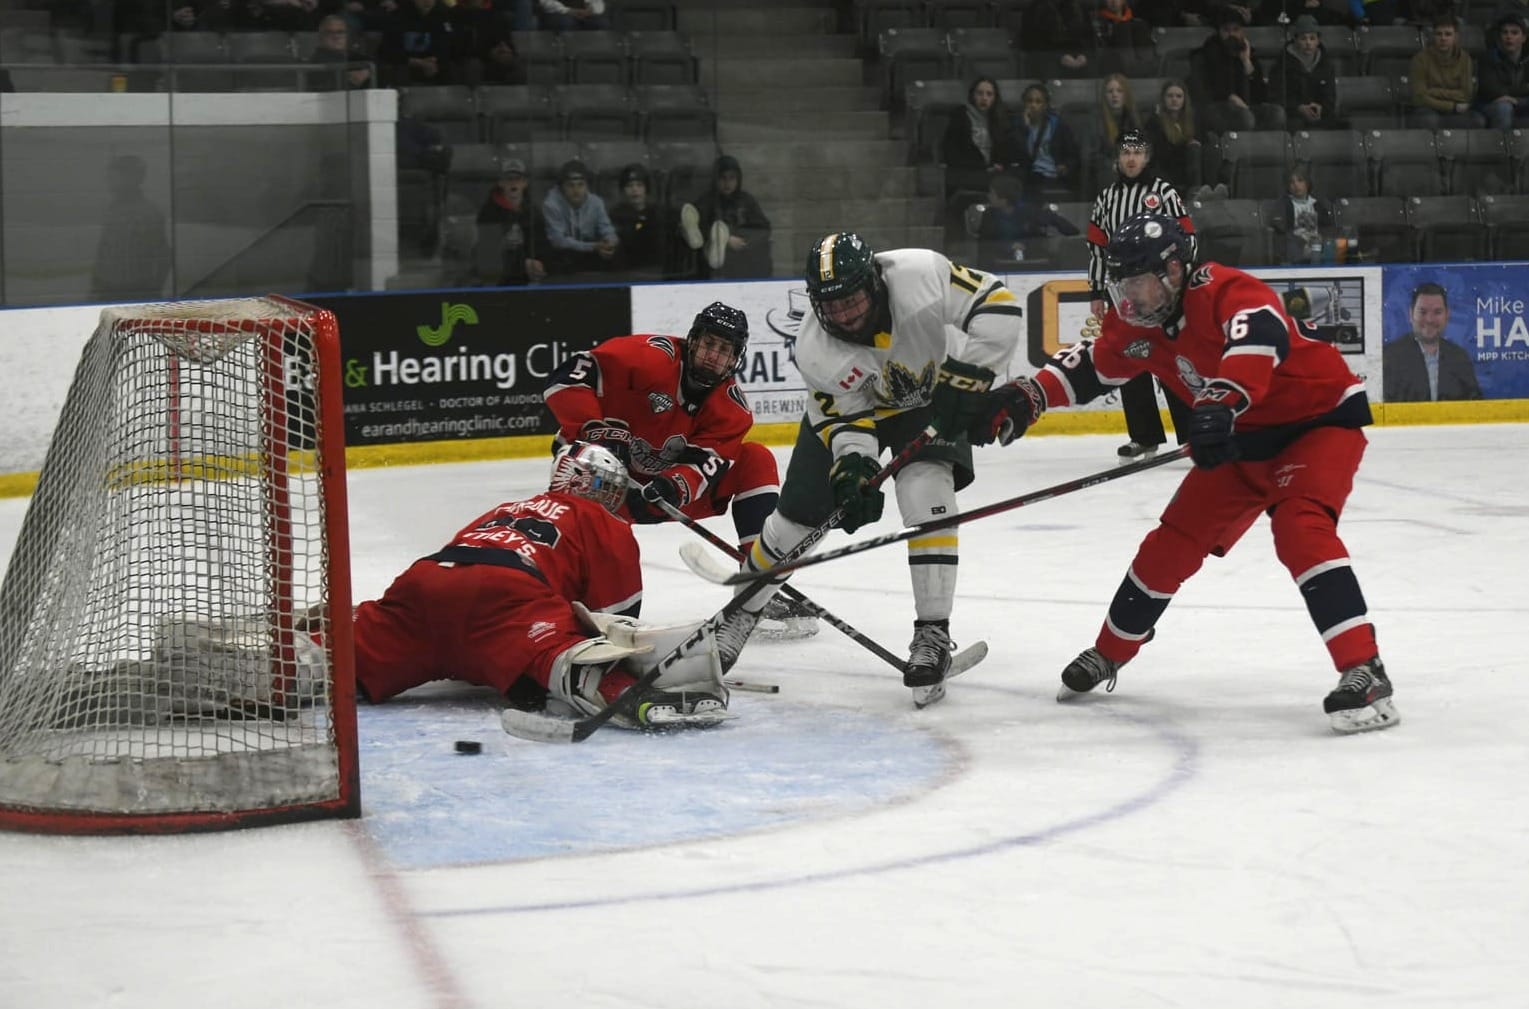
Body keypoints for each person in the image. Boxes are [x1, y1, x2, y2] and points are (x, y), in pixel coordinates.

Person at [976, 212, 1397, 734]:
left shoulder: (1225, 291)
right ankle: (1109, 651)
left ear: (1174, 270)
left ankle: (1364, 668)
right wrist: (1030, 395)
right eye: (1122, 284)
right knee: (1171, 542)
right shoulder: (1139, 321)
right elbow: (1093, 365)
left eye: (1138, 281)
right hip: (1240, 437)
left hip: (1315, 424)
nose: (1129, 297)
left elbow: (1260, 336)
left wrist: (1221, 399)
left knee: (1300, 529)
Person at [717, 233, 1024, 706]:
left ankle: (933, 633)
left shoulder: (919, 274)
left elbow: (998, 305)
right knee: (796, 523)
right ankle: (740, 613)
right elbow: (847, 420)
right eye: (830, 305)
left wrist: (970, 379)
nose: (843, 315)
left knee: (928, 496)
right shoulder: (815, 348)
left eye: (851, 300)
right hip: (855, 415)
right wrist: (853, 467)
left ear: (875, 283)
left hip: (931, 402)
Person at [352, 441, 730, 730]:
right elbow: (614, 619)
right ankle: (617, 690)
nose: (612, 499)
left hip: (427, 581)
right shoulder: (601, 519)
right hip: (507, 597)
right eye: (609, 488)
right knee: (563, 652)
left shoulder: (504, 509)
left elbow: (463, 566)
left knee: (352, 652)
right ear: (593, 486)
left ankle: (320, 660)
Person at [541, 303, 815, 639]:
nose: (713, 356)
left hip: (658, 494)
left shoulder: (731, 410)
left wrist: (671, 487)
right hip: (595, 474)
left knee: (755, 458)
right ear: (693, 340)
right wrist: (594, 429)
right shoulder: (649, 356)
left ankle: (758, 587)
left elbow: (705, 466)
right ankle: (557, 594)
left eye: (724, 350)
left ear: (735, 358)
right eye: (709, 344)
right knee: (582, 479)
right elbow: (565, 378)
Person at [1086, 130, 1197, 461]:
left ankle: (1193, 435)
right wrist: (1097, 290)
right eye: (1125, 152)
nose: (1131, 158)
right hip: (1125, 294)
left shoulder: (1164, 192)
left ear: (1147, 158)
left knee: (1172, 359)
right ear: (1117, 158)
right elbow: (1097, 248)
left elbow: (1188, 237)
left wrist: (1178, 280)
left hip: (1163, 292)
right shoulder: (1107, 199)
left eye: (1137, 152)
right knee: (1132, 358)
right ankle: (1144, 437)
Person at [1382, 282, 1483, 402]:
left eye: (1437, 312)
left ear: (1447, 315)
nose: (1429, 319)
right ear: (1411, 314)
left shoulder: (1459, 358)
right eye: (1423, 312)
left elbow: (1475, 403)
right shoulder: (1389, 358)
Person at [91, 155, 171, 304]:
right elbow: (104, 248)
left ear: (132, 178)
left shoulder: (149, 213)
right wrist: (96, 283)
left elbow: (163, 256)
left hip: (137, 291)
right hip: (108, 289)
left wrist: (154, 289)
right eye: (109, 177)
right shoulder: (111, 209)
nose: (109, 182)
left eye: (114, 177)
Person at [1189, 8, 1284, 133]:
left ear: (1242, 31)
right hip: (1217, 108)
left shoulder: (1248, 53)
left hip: (1246, 107)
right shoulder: (1205, 55)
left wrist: (1247, 63)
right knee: (1245, 118)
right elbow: (1203, 90)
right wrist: (1229, 97)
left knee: (1276, 113)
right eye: (1226, 30)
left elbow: (1261, 95)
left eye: (1236, 30)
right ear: (1219, 32)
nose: (1231, 34)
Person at [940, 77, 1023, 209]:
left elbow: (1010, 152)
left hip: (994, 174)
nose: (984, 98)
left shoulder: (1000, 118)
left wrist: (1000, 165)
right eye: (980, 93)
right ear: (972, 96)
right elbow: (951, 154)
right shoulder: (959, 117)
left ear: (995, 98)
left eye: (989, 94)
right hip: (967, 171)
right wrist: (983, 167)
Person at [972, 171, 1081, 270]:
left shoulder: (1030, 211)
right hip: (998, 263)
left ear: (1004, 199)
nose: (988, 196)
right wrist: (1008, 246)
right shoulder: (989, 215)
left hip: (1034, 262)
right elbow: (984, 243)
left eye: (992, 193)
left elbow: (1070, 229)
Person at [690, 155, 773, 279]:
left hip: (742, 263)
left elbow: (763, 229)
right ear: (716, 179)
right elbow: (698, 230)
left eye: (731, 178)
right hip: (712, 269)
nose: (727, 183)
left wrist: (743, 242)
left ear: (738, 179)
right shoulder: (707, 202)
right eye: (723, 178)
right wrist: (725, 240)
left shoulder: (746, 201)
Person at [475, 158, 548, 285]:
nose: (513, 183)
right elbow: (487, 259)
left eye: (517, 179)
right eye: (509, 179)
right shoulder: (488, 213)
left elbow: (543, 249)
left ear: (525, 183)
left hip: (529, 282)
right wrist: (521, 264)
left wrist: (539, 265)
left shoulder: (534, 213)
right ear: (501, 183)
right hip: (498, 282)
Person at [541, 158, 619, 276]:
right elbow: (558, 241)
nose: (576, 190)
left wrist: (609, 242)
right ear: (562, 187)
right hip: (564, 256)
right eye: (570, 185)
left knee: (616, 253)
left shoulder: (596, 203)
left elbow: (607, 229)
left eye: (580, 185)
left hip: (591, 254)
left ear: (587, 186)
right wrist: (593, 246)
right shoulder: (551, 204)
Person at [1269, 14, 1345, 131]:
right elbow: (1276, 98)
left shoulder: (1327, 65)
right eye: (1303, 38)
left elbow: (1330, 98)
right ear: (1295, 40)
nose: (1308, 43)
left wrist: (1320, 108)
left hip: (1319, 115)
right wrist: (1299, 108)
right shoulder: (1281, 65)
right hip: (1292, 116)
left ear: (1318, 41)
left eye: (1312, 38)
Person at [1407, 16, 1481, 128]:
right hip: (1429, 108)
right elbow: (1419, 97)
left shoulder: (1465, 58)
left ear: (1456, 37)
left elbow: (1466, 94)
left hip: (1455, 110)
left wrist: (1433, 92)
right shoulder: (1420, 59)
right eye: (1439, 34)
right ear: (1433, 36)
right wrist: (1451, 106)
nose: (1443, 38)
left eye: (1448, 34)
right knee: (1430, 120)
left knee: (1477, 120)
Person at [1014, 83, 1084, 201]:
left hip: (1053, 175)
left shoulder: (1057, 125)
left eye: (1038, 102)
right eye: (1029, 101)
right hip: (1028, 175)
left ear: (1045, 105)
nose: (1033, 105)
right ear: (1024, 104)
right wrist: (1024, 128)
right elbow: (1016, 155)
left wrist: (1066, 166)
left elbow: (1073, 154)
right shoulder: (1017, 126)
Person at [608, 162, 677, 278]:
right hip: (627, 273)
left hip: (656, 272)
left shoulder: (659, 213)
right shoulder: (616, 215)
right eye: (629, 186)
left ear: (646, 189)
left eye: (639, 185)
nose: (634, 190)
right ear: (623, 190)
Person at [1142, 79, 1202, 193]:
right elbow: (1159, 153)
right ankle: (1194, 191)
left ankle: (1203, 190)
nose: (1174, 99)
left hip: (1187, 167)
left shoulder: (1192, 119)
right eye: (1170, 96)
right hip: (1166, 169)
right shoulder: (1155, 122)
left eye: (1179, 96)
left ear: (1184, 100)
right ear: (1163, 99)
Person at [1476, 10, 1529, 130]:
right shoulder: (1488, 58)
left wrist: (1517, 101)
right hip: (1490, 104)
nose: (1509, 37)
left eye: (1514, 33)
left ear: (1524, 38)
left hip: (1521, 103)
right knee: (1504, 108)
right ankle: (1498, 143)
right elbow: (1490, 90)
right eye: (1505, 32)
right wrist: (1525, 89)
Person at [1272, 166, 1334, 264]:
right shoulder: (1283, 204)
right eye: (1292, 182)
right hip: (1294, 246)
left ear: (1307, 183)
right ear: (1288, 186)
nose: (1296, 185)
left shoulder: (1317, 204)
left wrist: (1320, 237)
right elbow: (1281, 229)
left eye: (1300, 180)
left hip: (1316, 244)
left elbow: (1328, 228)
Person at [307, 13, 374, 90]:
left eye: (340, 32)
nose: (336, 36)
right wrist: (352, 81)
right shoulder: (317, 63)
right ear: (321, 36)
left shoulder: (357, 58)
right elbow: (325, 92)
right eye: (329, 32)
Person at [1092, 0, 1156, 77]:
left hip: (1134, 73)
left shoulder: (1138, 24)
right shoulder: (1097, 22)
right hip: (1108, 72)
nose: (1113, 1)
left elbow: (1146, 56)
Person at [535, 0, 609, 31]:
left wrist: (591, 10)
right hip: (557, 12)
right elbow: (546, 3)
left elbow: (597, 3)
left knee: (602, 23)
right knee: (566, 22)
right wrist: (569, 11)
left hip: (583, 13)